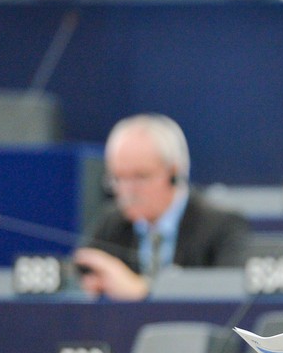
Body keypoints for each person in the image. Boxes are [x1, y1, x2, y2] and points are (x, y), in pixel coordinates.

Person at [73, 114, 250, 300]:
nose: (127, 190)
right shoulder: (111, 224)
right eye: (118, 178)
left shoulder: (221, 226)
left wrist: (145, 291)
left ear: (174, 174)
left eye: (140, 176)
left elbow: (228, 295)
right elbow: (77, 278)